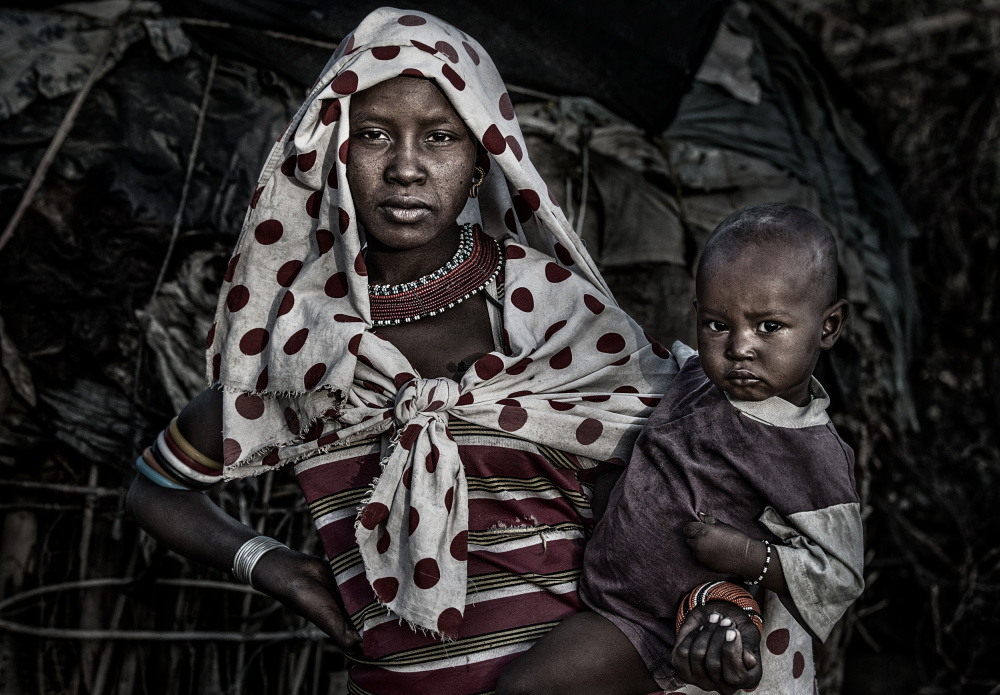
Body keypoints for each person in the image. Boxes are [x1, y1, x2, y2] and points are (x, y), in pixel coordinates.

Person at [126, 8, 766, 694]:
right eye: (374, 135)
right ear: (336, 152)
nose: (406, 167)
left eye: (439, 138)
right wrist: (270, 564)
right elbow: (156, 487)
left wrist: (718, 608)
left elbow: (655, 509)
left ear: (481, 158)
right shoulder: (308, 343)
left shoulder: (552, 314)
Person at [497, 203, 865, 695]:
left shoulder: (808, 449)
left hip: (657, 621)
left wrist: (748, 556)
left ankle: (730, 654)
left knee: (526, 688)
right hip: (604, 584)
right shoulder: (697, 377)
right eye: (717, 324)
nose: (739, 347)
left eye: (769, 327)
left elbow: (839, 574)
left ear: (828, 327)